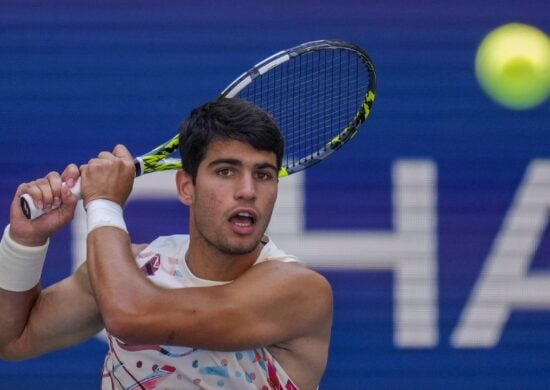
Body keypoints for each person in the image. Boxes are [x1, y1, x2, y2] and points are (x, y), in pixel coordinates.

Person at [0, 98, 333, 390]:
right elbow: (13, 339)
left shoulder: (300, 291)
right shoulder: (131, 269)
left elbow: (129, 315)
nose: (248, 190)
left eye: (263, 175)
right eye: (226, 172)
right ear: (186, 187)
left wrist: (103, 204)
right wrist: (25, 241)